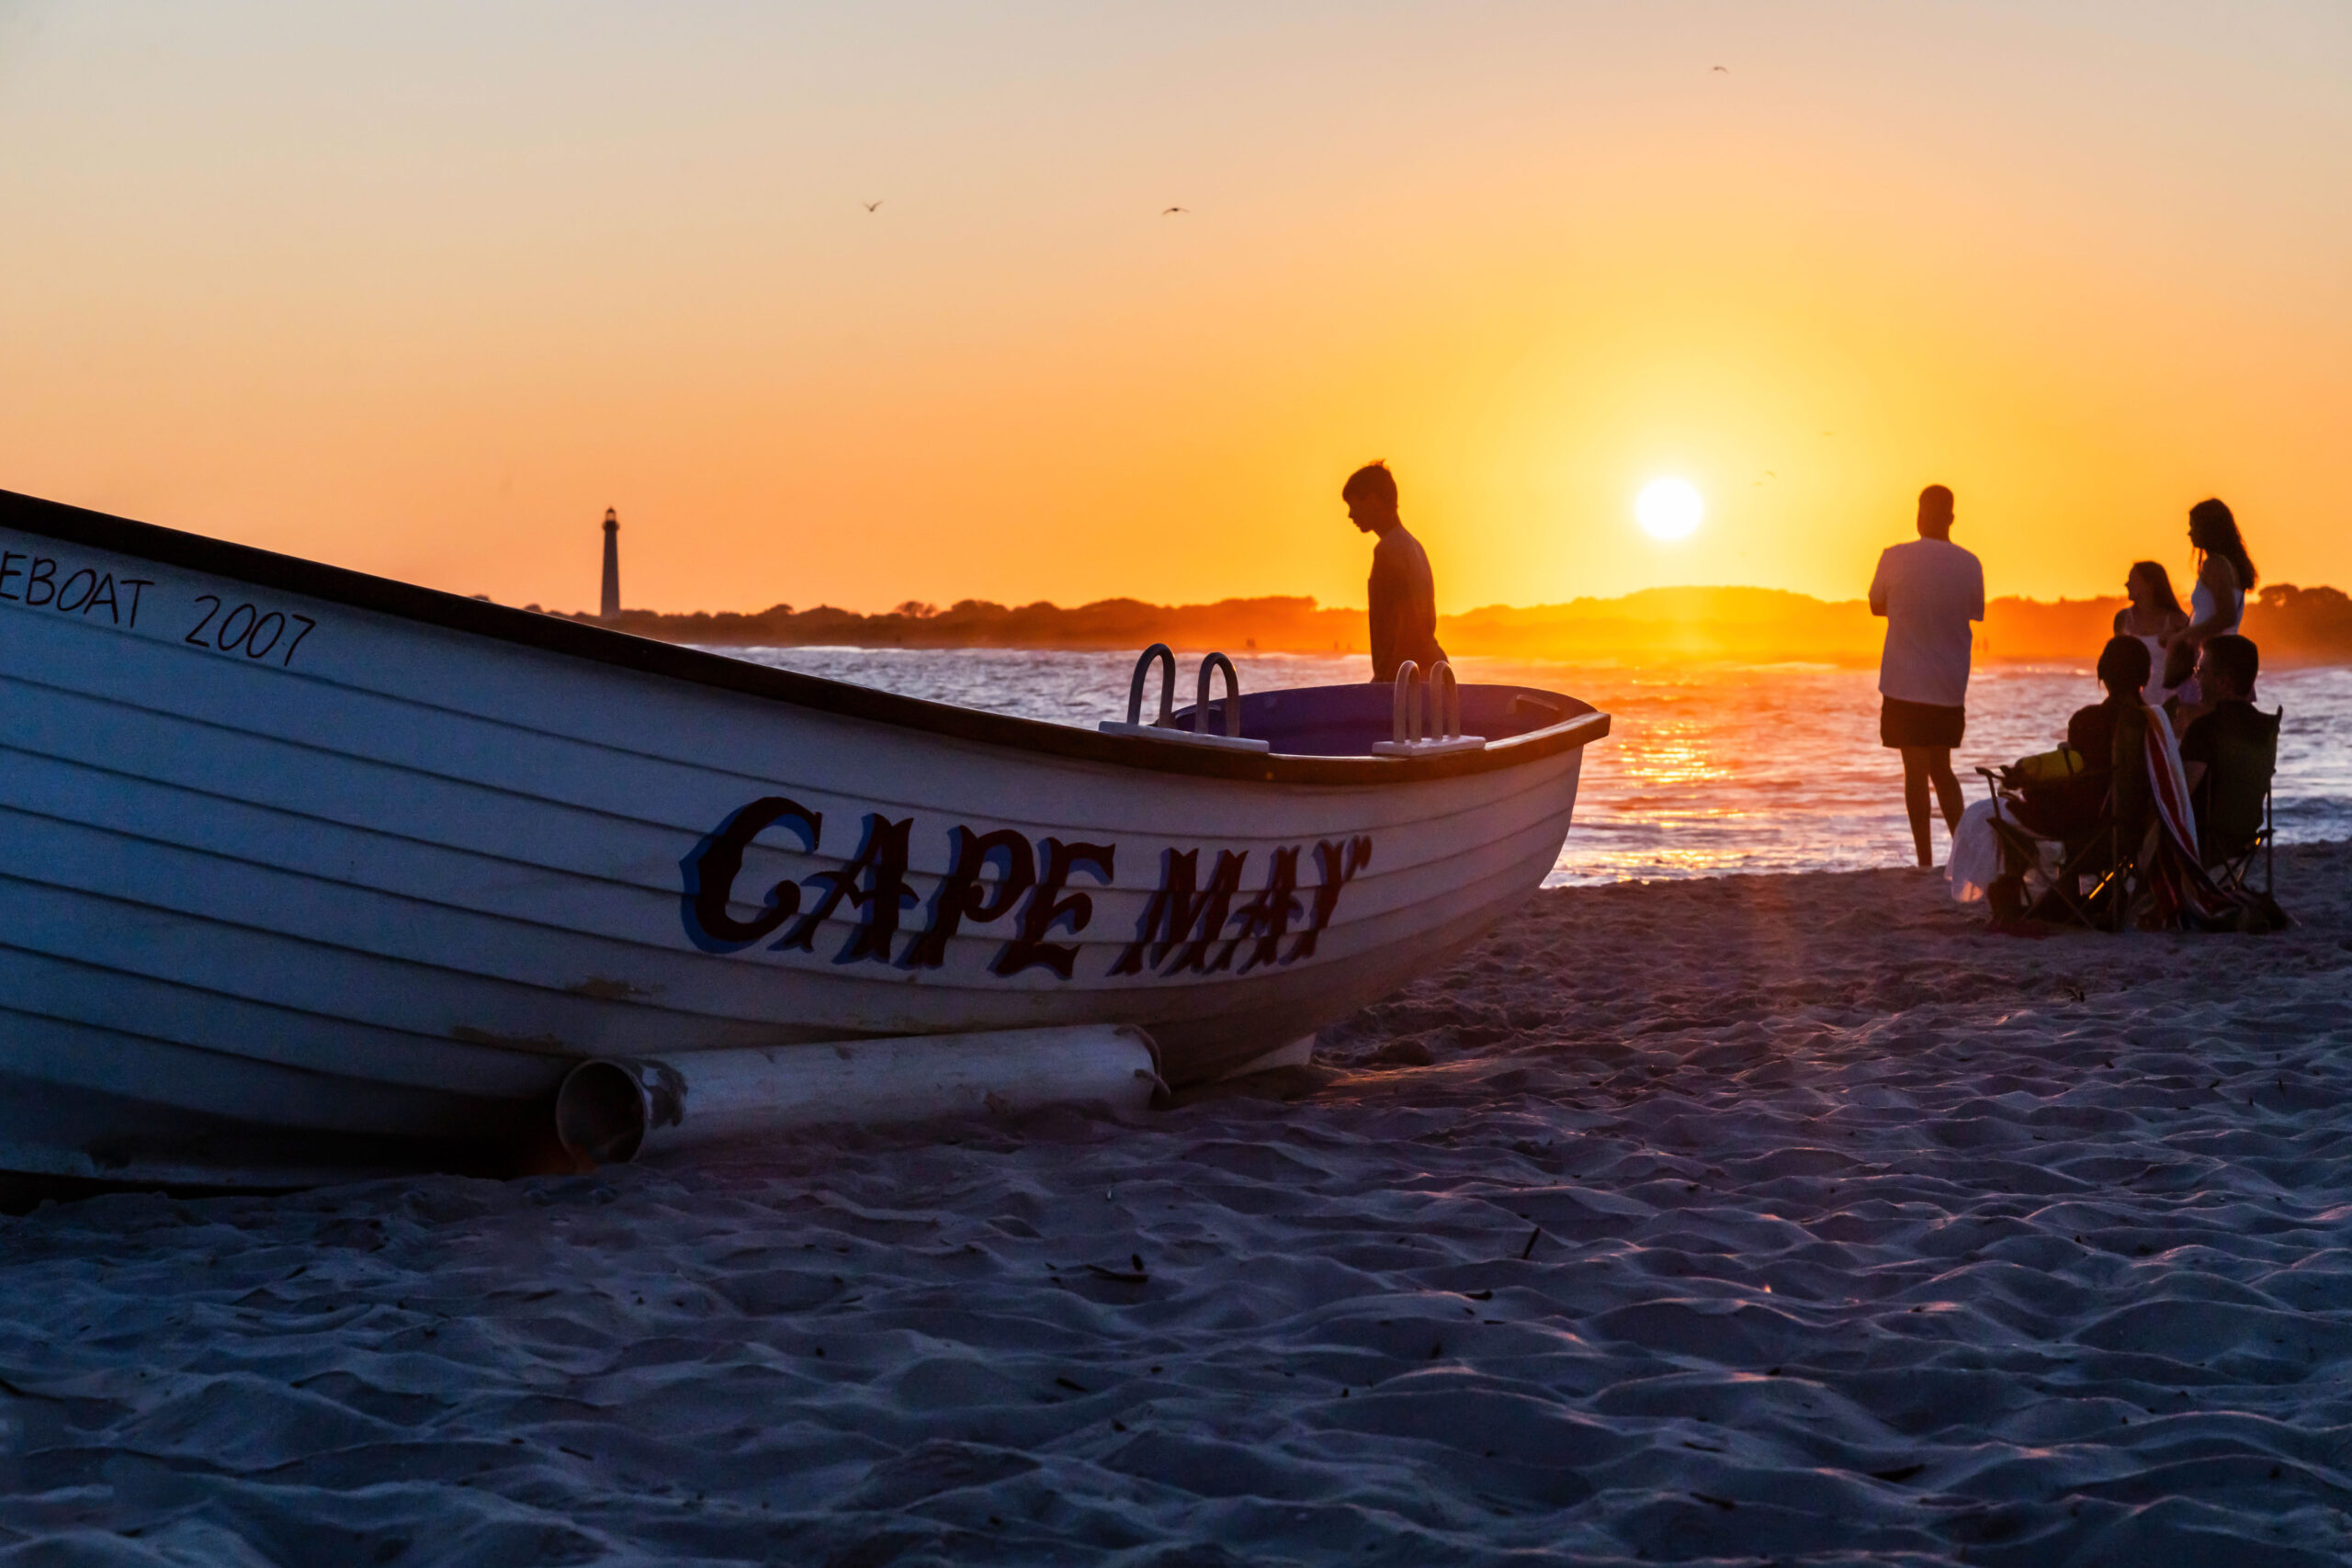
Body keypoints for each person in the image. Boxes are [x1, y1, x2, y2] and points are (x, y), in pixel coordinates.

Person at [1869, 484, 1985, 868]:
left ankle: (1925, 861)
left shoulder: (1894, 557)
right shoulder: (1970, 563)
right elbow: (1973, 612)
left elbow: (1876, 606)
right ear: (1950, 517)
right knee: (1943, 770)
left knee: (1916, 773)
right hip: (1948, 683)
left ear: (1922, 515)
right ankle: (1962, 853)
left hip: (1904, 680)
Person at [1342, 461, 1446, 682]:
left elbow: (1405, 624)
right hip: (1432, 669)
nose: (1350, 515)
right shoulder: (1414, 546)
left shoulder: (1387, 551)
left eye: (1353, 505)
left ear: (1372, 501)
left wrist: (1386, 681)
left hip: (1409, 678)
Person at [2163, 498, 2256, 705]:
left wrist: (2182, 636)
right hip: (2222, 660)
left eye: (2193, 526)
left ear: (2208, 529)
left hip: (2211, 662)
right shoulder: (2230, 565)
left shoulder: (2215, 564)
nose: (2189, 533)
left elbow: (2226, 616)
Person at [2112, 560, 2188, 707]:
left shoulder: (2176, 620)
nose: (2126, 584)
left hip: (2170, 699)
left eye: (2132, 580)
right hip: (2135, 699)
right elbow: (2117, 664)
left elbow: (2186, 667)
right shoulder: (2123, 619)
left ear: (2150, 585)